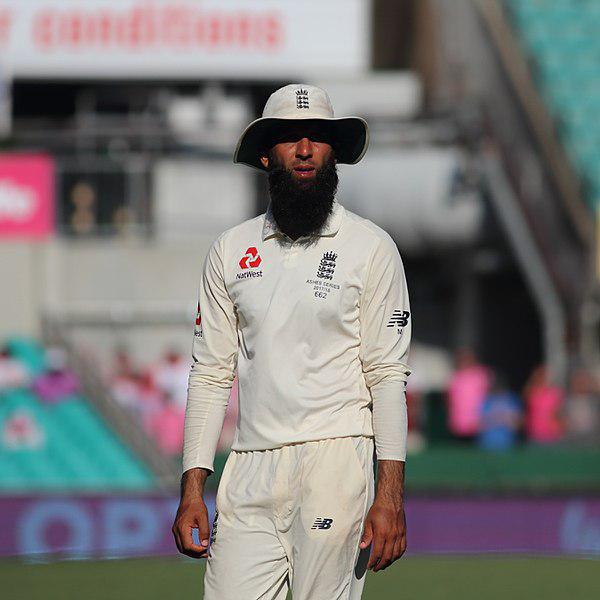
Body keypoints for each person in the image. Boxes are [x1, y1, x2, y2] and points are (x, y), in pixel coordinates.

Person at [172, 84, 412, 599]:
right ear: (266, 155)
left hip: (336, 461)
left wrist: (390, 493)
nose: (305, 149)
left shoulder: (371, 248)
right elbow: (210, 373)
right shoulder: (230, 250)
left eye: (318, 138)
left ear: (334, 154)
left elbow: (388, 374)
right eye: (290, 138)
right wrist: (193, 486)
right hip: (250, 465)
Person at [447, 347, 491, 442]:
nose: (465, 361)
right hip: (458, 423)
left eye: (467, 358)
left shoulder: (481, 374)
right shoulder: (455, 376)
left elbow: (489, 397)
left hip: (479, 423)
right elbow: (450, 400)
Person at [477, 372, 522, 451]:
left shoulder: (511, 399)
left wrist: (499, 418)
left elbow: (518, 423)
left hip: (508, 444)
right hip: (487, 445)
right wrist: (501, 417)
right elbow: (479, 423)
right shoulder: (487, 400)